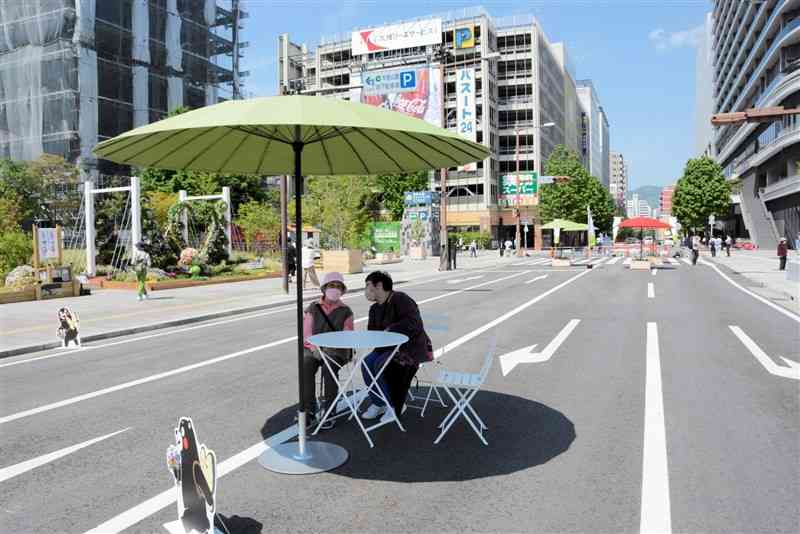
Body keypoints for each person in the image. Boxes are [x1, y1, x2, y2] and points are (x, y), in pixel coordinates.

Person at [361, 271, 432, 423]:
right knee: (367, 363)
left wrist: (390, 329)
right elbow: (372, 332)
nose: (366, 290)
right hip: (387, 348)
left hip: (410, 349)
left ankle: (395, 405)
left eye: (368, 285)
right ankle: (379, 403)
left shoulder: (401, 299)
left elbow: (414, 323)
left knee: (382, 364)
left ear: (379, 285)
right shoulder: (374, 309)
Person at [301, 272, 354, 429]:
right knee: (305, 364)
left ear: (342, 290)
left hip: (337, 350)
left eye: (338, 286)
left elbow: (347, 336)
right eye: (331, 285)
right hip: (314, 348)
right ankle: (309, 410)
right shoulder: (313, 307)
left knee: (329, 368)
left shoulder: (346, 311)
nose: (335, 289)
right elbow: (306, 333)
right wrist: (314, 348)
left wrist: (328, 350)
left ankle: (330, 410)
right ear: (324, 288)